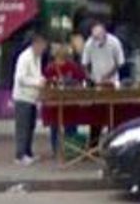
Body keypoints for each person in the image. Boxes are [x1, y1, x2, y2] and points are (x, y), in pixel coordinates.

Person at [81, 23, 125, 146]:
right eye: (95, 38)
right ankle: (93, 145)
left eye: (98, 38)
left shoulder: (114, 42)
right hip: (97, 84)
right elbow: (85, 63)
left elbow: (119, 63)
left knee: (113, 115)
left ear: (104, 34)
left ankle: (113, 143)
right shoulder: (90, 43)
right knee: (96, 116)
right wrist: (90, 77)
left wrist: (108, 76)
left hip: (112, 83)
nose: (97, 41)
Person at [43, 44, 86, 157]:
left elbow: (81, 80)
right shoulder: (50, 68)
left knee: (68, 127)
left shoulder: (72, 67)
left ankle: (67, 150)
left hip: (69, 103)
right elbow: (46, 84)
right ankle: (61, 150)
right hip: (56, 103)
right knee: (56, 127)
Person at [12, 33, 47, 165]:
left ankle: (28, 153)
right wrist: (37, 82)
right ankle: (20, 156)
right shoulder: (25, 57)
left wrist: (41, 80)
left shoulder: (37, 57)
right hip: (23, 97)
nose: (43, 49)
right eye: (42, 46)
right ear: (35, 44)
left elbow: (36, 74)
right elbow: (21, 78)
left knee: (30, 127)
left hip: (32, 98)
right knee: (23, 127)